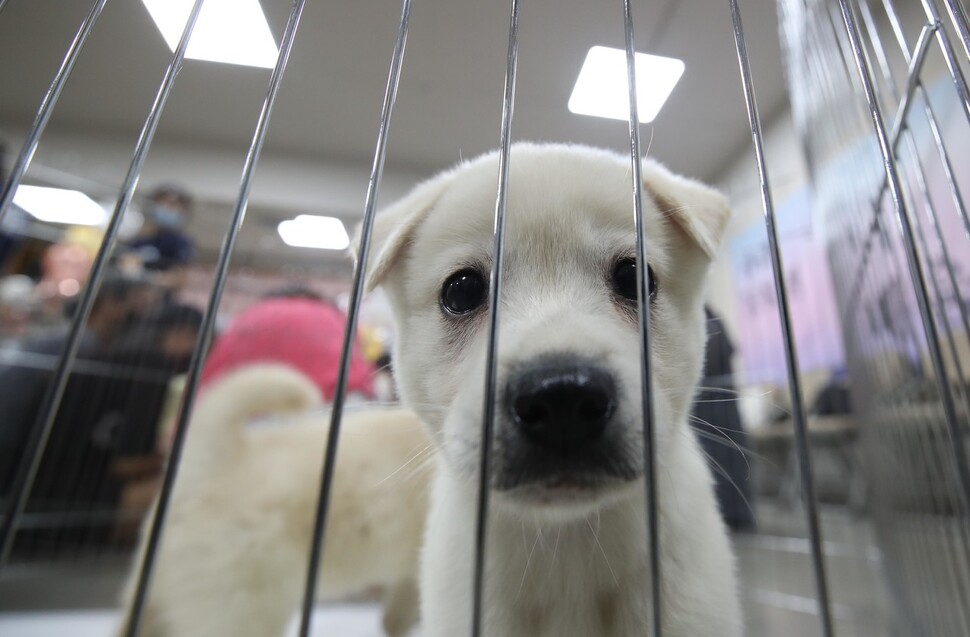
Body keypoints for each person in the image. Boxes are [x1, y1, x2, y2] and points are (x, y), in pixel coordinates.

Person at [690, 306, 756, 531]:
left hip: (711, 405)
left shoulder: (705, 317)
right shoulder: (712, 317)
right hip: (717, 406)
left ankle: (733, 515)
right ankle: (734, 514)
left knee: (720, 457)